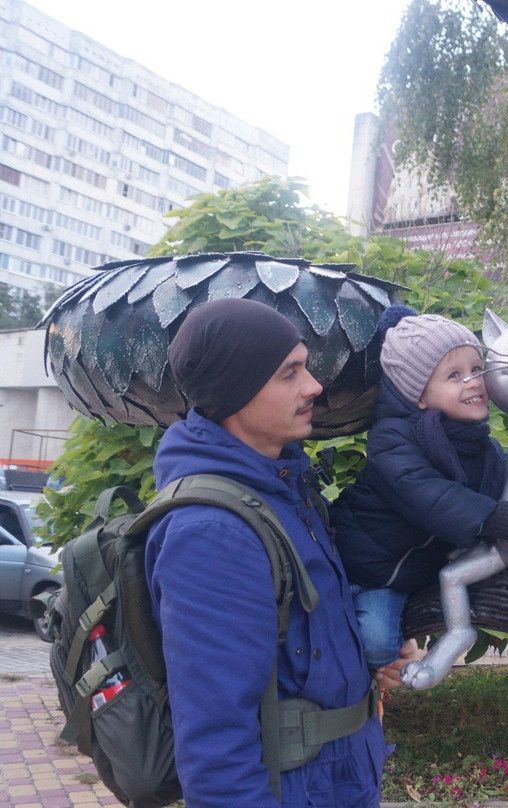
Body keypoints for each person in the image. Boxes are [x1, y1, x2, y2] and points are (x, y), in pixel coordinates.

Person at [145, 297, 386, 807]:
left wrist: (369, 655)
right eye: (289, 373)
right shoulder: (211, 533)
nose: (314, 386)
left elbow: (301, 648)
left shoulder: (286, 490)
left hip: (339, 778)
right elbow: (215, 744)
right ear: (236, 391)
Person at [330, 305, 508, 674]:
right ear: (419, 396)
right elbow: (432, 498)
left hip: (412, 575)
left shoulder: (481, 447)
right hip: (363, 569)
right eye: (454, 375)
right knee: (376, 645)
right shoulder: (392, 439)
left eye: (476, 369)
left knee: (384, 635)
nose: (472, 381)